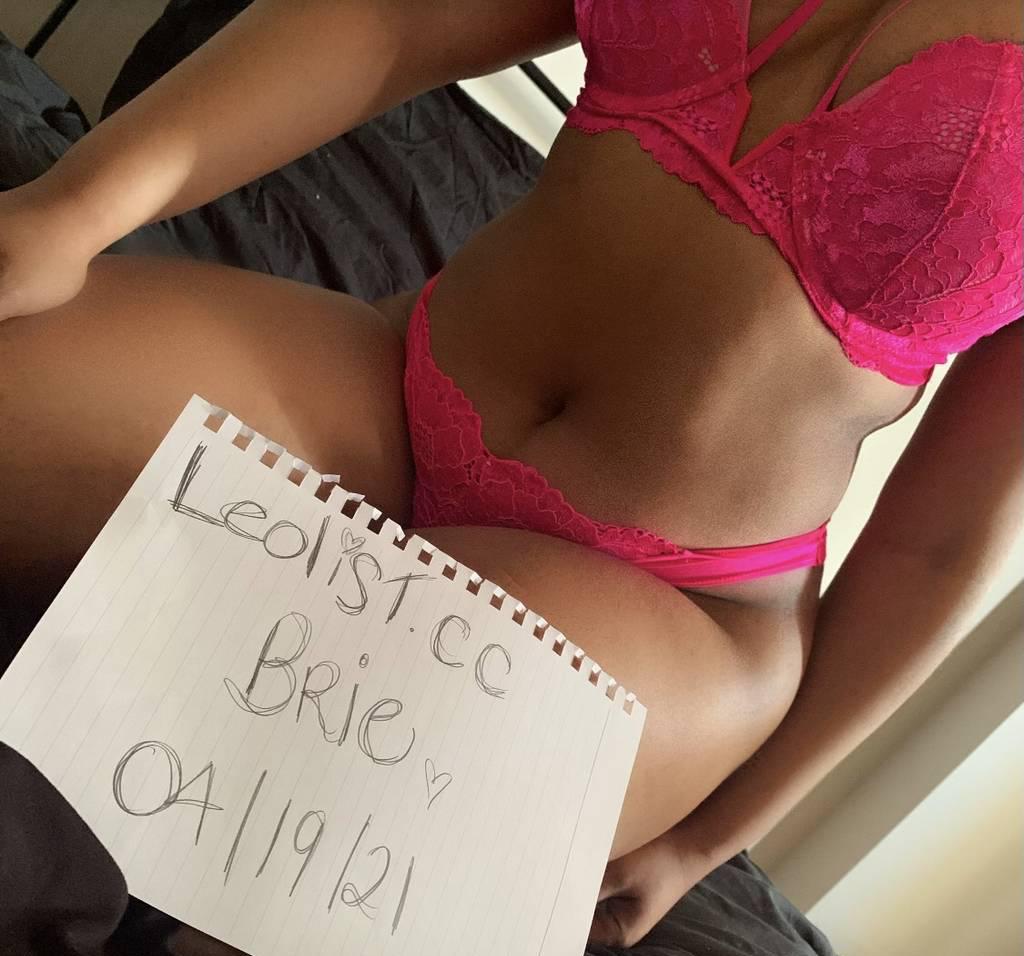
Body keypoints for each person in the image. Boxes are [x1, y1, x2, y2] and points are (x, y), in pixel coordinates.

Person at [0, 0, 1020, 946]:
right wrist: (72, 210)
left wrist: (714, 835)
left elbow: (937, 546)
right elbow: (395, 24)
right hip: (397, 389)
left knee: (307, 850)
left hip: (676, 604)